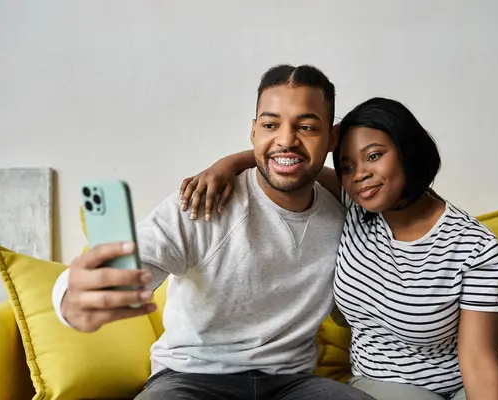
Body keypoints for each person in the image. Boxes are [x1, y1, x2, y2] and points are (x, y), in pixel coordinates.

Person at [180, 98, 498, 400]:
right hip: (391, 383)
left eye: (374, 156)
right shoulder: (354, 205)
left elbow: (478, 361)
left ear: (407, 151)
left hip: (475, 374)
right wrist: (226, 165)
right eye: (347, 165)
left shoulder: (475, 246)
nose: (359, 174)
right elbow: (292, 167)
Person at [51, 64, 376, 400]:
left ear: (332, 138)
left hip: (291, 383)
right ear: (253, 133)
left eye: (306, 127)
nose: (285, 139)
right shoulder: (205, 199)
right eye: (270, 125)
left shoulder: (346, 210)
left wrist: (234, 160)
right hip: (190, 377)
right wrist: (70, 298)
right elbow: (140, 254)